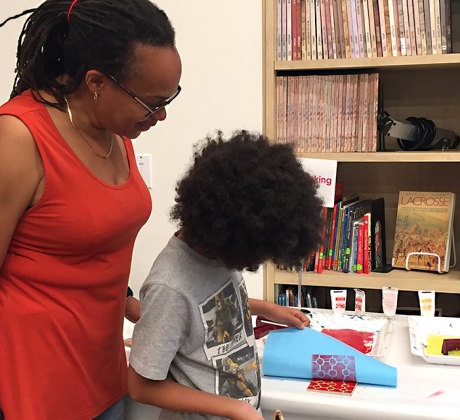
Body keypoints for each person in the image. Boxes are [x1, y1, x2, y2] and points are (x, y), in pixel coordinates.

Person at [0, 1, 181, 419]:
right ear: (96, 82)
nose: (160, 116)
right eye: (150, 103)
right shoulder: (14, 140)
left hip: (102, 373)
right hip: (25, 388)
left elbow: (89, 235)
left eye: (169, 99)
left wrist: (136, 304)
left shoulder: (113, 128)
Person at [128, 131, 323, 419]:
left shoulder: (217, 250)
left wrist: (267, 309)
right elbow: (141, 386)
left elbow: (212, 305)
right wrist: (234, 408)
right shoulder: (169, 286)